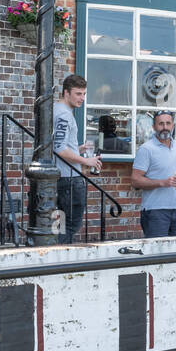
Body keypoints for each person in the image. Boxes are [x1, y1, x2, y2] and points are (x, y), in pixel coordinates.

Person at [53, 74, 102, 244]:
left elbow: (59, 143)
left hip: (61, 178)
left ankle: (56, 257)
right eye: (78, 93)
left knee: (58, 225)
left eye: (84, 94)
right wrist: (86, 161)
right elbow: (59, 148)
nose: (82, 98)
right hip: (69, 180)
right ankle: (59, 260)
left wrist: (78, 149)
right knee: (70, 225)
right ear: (66, 93)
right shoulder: (64, 115)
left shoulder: (56, 109)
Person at [131, 109, 176, 237]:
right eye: (161, 124)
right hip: (155, 211)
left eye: (168, 123)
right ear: (154, 126)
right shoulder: (146, 149)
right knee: (157, 254)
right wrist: (162, 182)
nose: (165, 127)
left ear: (173, 125)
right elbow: (135, 180)